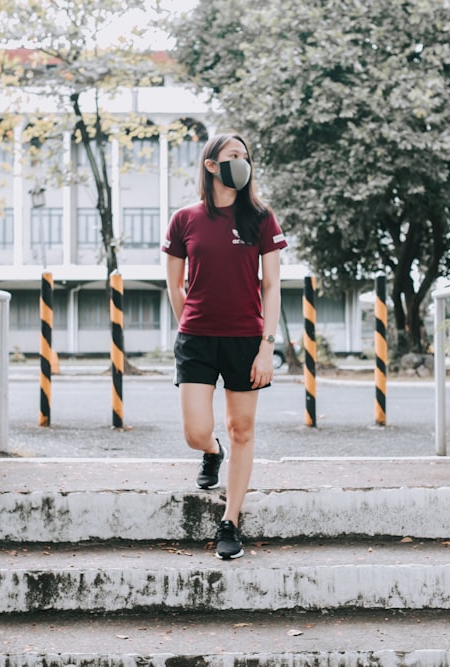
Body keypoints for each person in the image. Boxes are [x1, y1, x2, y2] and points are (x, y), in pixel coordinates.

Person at [162, 132, 287, 560]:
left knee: (243, 430)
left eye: (246, 156)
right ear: (211, 165)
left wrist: (267, 346)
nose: (243, 162)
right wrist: (189, 325)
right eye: (233, 155)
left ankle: (230, 520)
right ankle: (211, 453)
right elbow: (174, 284)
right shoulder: (184, 219)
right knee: (196, 431)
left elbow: (272, 287)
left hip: (245, 340)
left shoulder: (260, 217)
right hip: (196, 338)